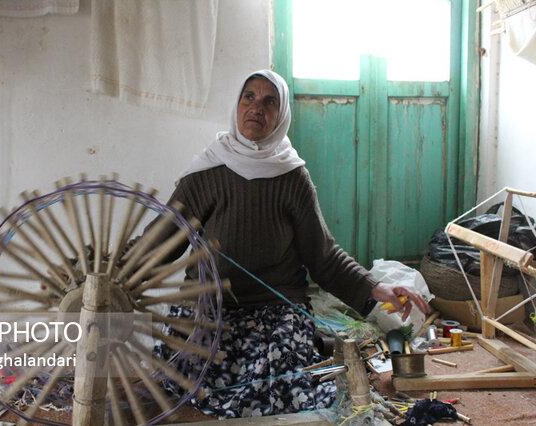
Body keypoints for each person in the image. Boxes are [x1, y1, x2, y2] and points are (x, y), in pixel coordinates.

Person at [151, 69, 430, 418]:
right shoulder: (207, 171)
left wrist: (376, 288)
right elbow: (162, 239)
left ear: (281, 115)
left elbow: (323, 256)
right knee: (190, 362)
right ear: (236, 105)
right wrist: (113, 268)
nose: (257, 108)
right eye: (248, 97)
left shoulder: (292, 177)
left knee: (278, 368)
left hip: (274, 310)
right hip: (211, 306)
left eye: (270, 101)